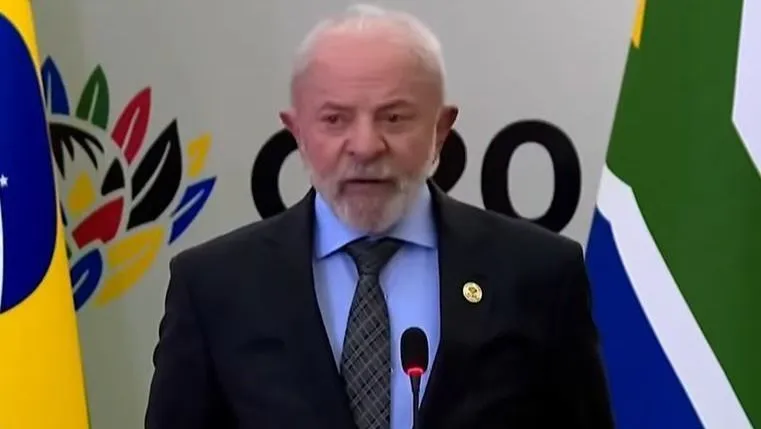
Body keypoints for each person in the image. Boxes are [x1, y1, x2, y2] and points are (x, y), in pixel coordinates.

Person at [144, 4, 614, 429]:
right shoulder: (214, 286)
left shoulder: (538, 273)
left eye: (394, 118)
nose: (366, 147)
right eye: (335, 119)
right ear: (298, 132)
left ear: (441, 129)